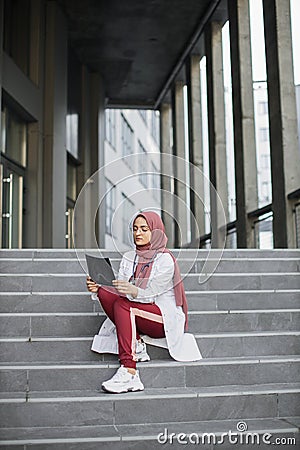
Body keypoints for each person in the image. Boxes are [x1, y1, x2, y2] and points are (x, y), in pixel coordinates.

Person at [86, 211, 201, 394]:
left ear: (155, 232)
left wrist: (130, 289)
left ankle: (129, 371)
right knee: (105, 294)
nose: (138, 233)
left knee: (124, 305)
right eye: (135, 229)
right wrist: (100, 286)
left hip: (162, 317)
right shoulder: (129, 257)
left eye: (144, 229)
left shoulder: (165, 260)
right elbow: (121, 291)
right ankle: (136, 344)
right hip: (137, 310)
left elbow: (150, 295)